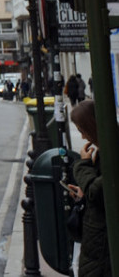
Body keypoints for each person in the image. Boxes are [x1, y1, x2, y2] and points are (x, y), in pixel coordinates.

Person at [66, 100, 111, 276]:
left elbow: (96, 191)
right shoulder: (103, 150)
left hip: (101, 245)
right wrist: (82, 195)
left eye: (82, 131)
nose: (83, 137)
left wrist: (83, 165)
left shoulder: (111, 152)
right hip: (97, 243)